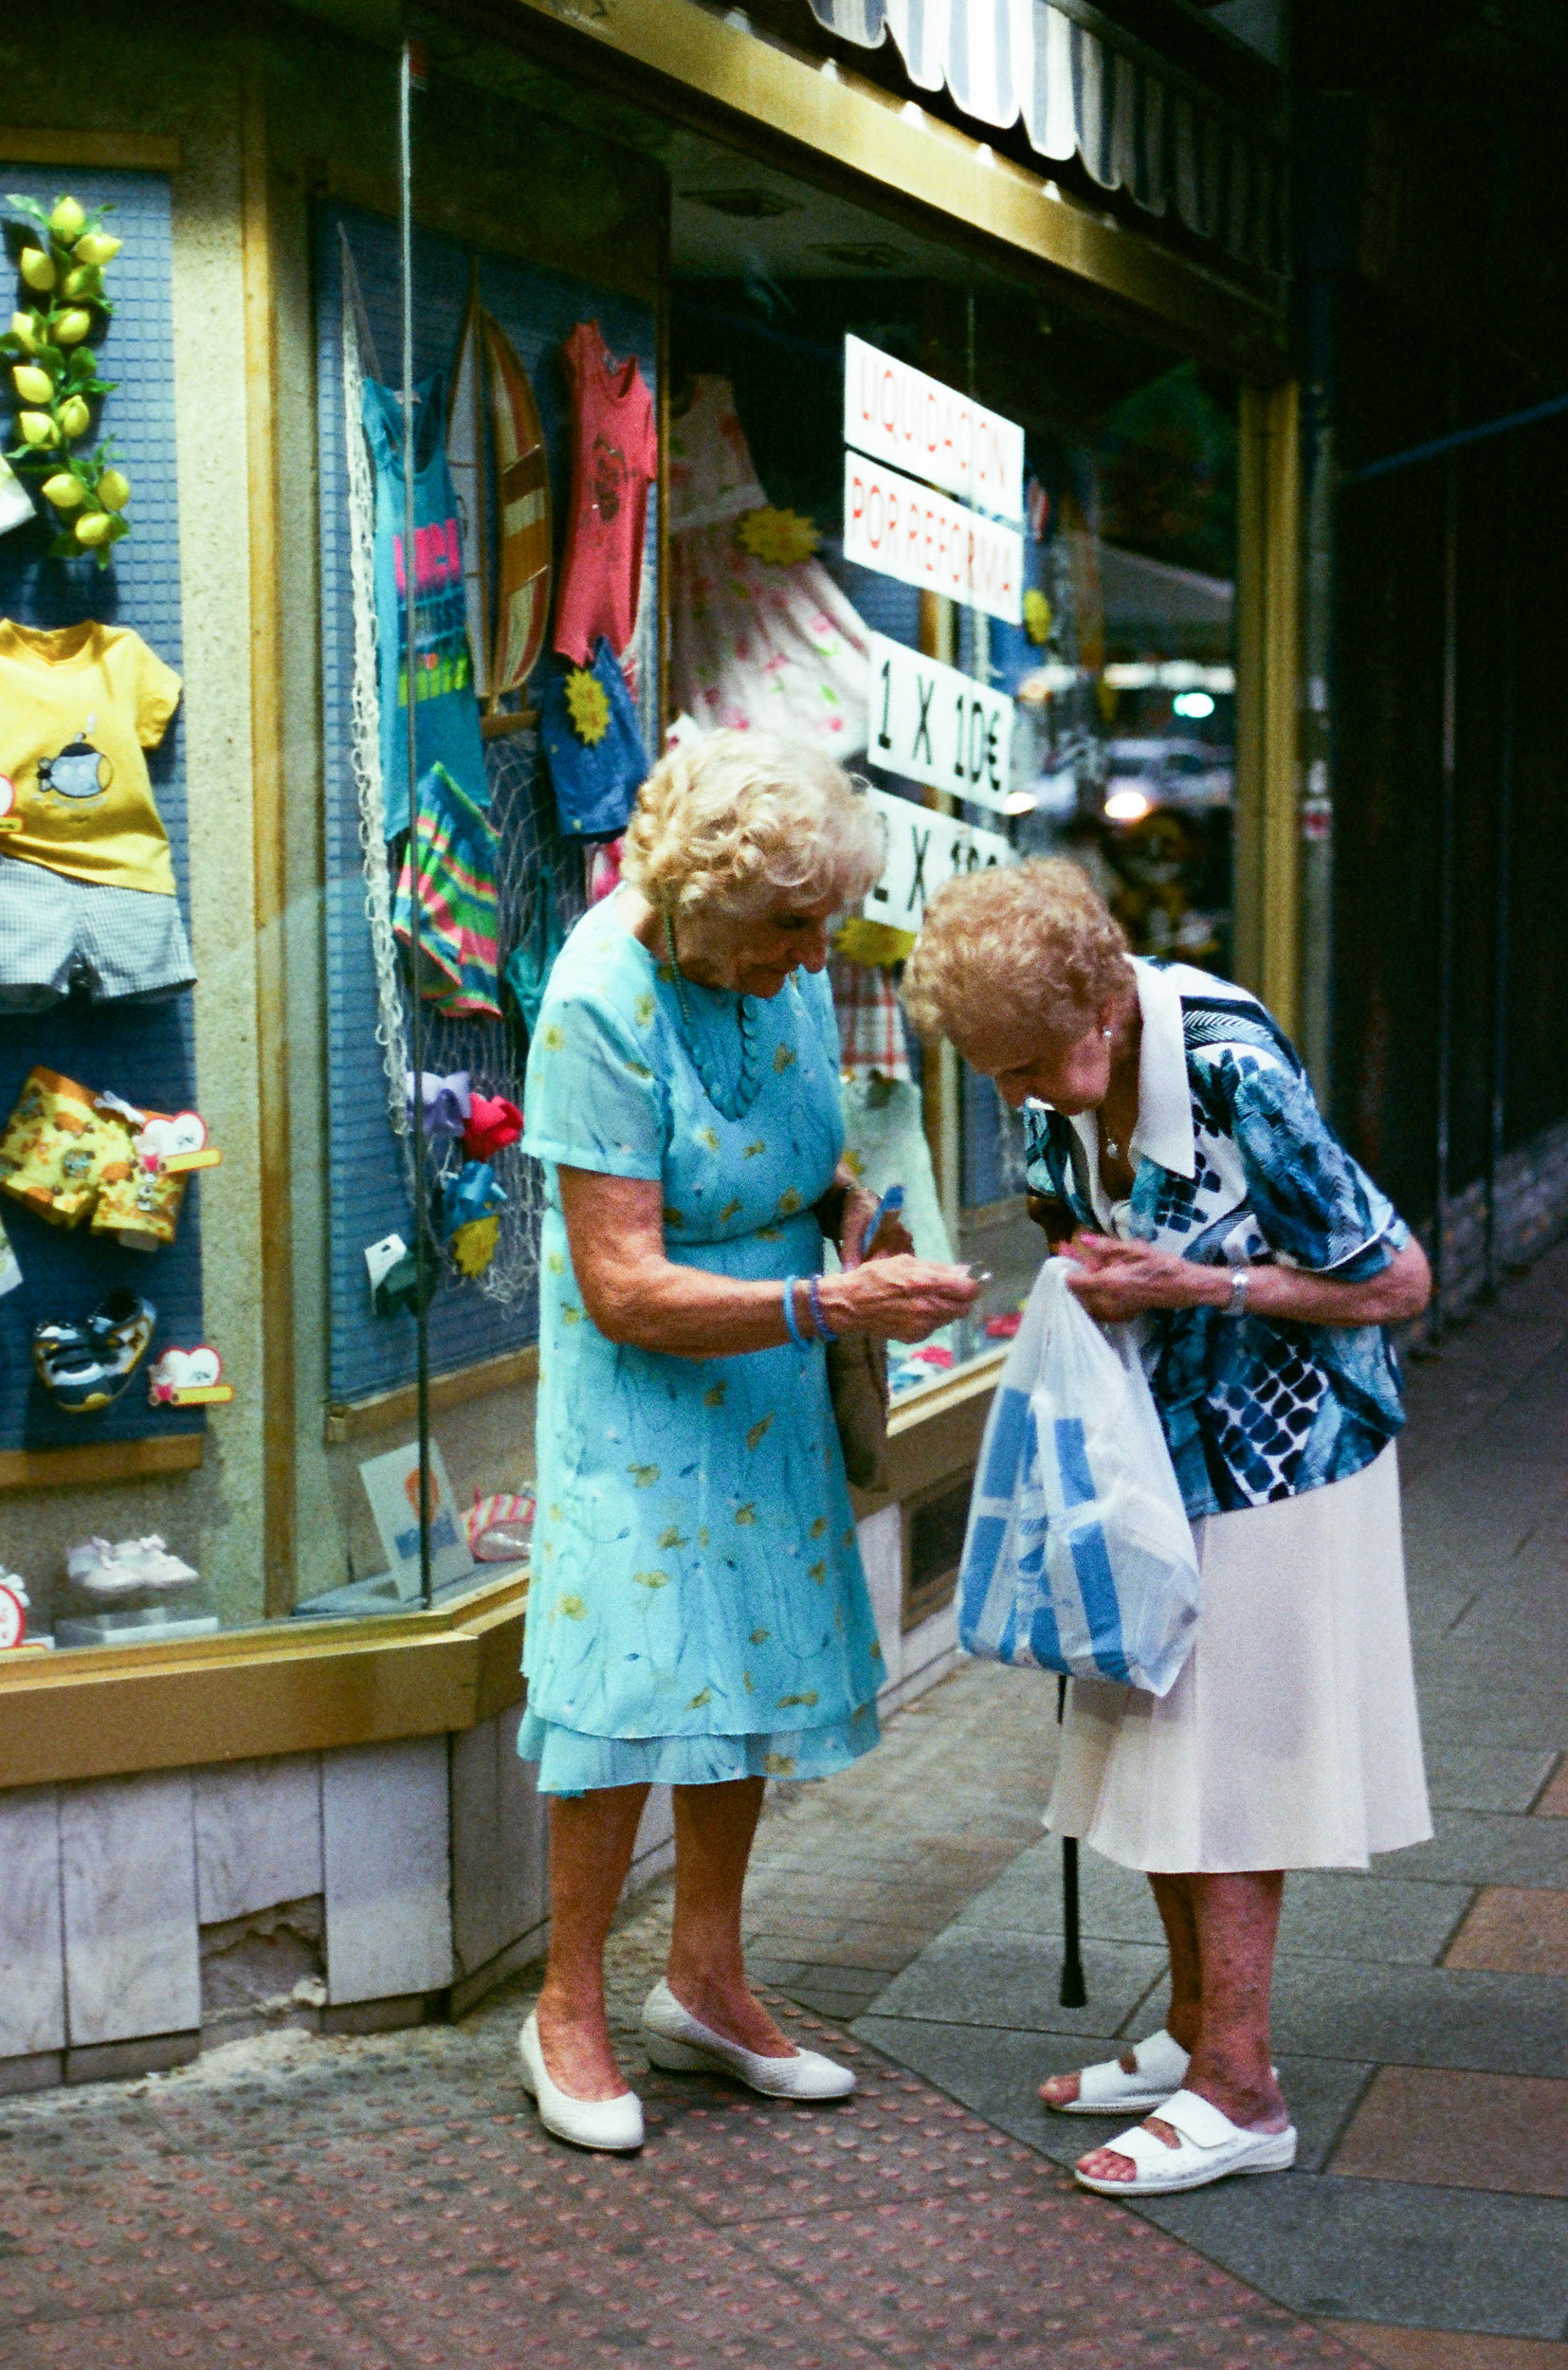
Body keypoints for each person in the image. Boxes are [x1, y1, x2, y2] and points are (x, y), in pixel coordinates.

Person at [900, 857, 1433, 2198]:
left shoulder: (1229, 1068)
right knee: (1147, 1737)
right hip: (1155, 1453)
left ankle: (1243, 2091)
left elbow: (1397, 1279)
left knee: (1224, 1766)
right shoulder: (1050, 1087)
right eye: (996, 1073)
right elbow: (1075, 1230)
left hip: (1286, 1452)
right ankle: (1197, 2033)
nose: (1017, 1094)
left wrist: (1200, 1284)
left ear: (1102, 1005)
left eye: (1032, 1064)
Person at [517, 730, 979, 2152]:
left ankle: (705, 1982)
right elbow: (622, 1286)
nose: (816, 953)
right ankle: (565, 2007)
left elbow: (805, 1146)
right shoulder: (597, 1002)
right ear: (705, 901)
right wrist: (829, 1301)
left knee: (744, 1664)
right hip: (645, 1387)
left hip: (769, 1377)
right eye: (792, 927)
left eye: (826, 922)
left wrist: (852, 1213)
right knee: (625, 1683)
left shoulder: (774, 961)